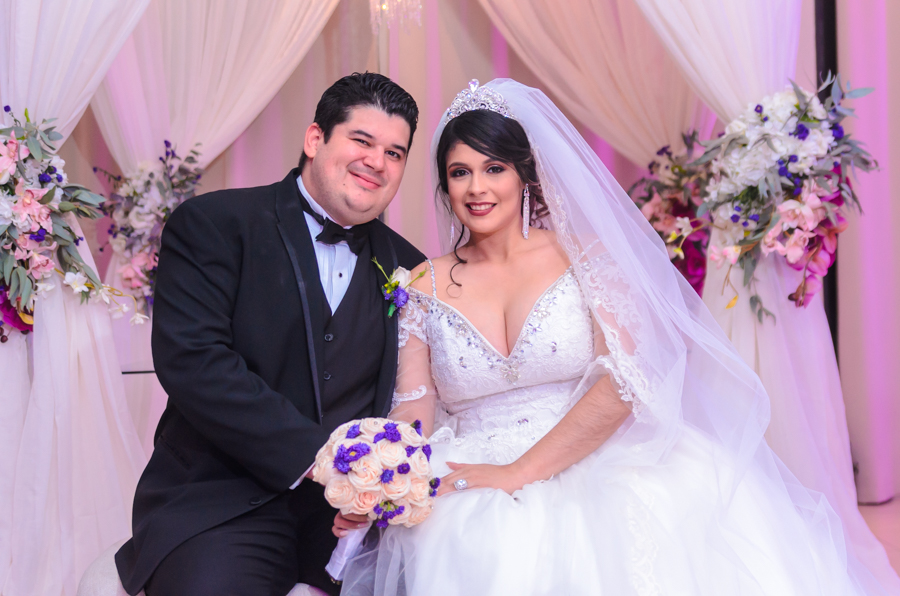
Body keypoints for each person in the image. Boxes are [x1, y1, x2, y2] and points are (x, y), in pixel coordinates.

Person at [338, 79, 900, 595]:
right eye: (460, 172)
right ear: (444, 183)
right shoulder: (420, 284)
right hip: (470, 464)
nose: (477, 188)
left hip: (596, 456)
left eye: (495, 168)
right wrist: (387, 475)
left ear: (525, 175)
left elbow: (624, 381)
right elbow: (414, 408)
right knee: (453, 531)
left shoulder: (587, 258)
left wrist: (518, 474)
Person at [114, 72, 425, 596]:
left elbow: (411, 395)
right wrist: (323, 459)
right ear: (315, 139)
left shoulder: (410, 267)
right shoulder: (214, 223)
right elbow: (195, 362)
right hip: (221, 501)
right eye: (362, 141)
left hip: (351, 519)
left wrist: (385, 485)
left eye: (394, 153)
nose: (377, 162)